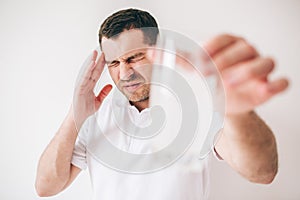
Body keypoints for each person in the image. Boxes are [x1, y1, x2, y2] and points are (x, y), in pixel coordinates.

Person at [35, 8, 289, 199]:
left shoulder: (196, 106)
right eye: (114, 63)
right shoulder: (97, 115)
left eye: (134, 58)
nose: (124, 73)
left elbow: (262, 173)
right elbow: (46, 187)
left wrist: (236, 112)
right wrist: (75, 115)